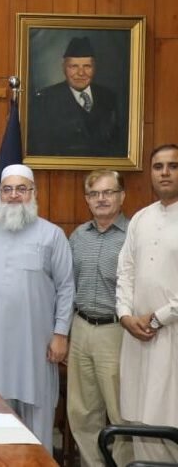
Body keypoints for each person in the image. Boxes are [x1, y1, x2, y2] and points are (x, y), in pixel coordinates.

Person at [0, 164, 74, 451]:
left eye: (21, 189)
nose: (13, 195)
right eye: (7, 189)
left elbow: (66, 287)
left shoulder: (52, 235)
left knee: (38, 416)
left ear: (33, 193)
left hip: (36, 344)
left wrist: (61, 333)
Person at [116, 144, 178, 463]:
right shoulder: (140, 219)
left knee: (169, 421)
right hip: (137, 337)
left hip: (171, 337)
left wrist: (158, 318)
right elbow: (125, 271)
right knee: (140, 421)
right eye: (158, 167)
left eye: (173, 166)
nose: (164, 173)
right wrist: (125, 315)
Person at [67, 169, 133, 467]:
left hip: (117, 331)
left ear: (122, 196)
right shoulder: (78, 236)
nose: (101, 199)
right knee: (82, 411)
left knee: (120, 412)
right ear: (87, 199)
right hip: (81, 327)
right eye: (94, 194)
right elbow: (68, 286)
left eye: (108, 192)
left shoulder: (133, 235)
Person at [28, 36, 125, 157]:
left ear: (94, 68)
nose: (81, 73)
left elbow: (117, 144)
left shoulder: (108, 97)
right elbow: (41, 148)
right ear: (64, 68)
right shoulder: (45, 100)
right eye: (74, 66)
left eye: (87, 66)